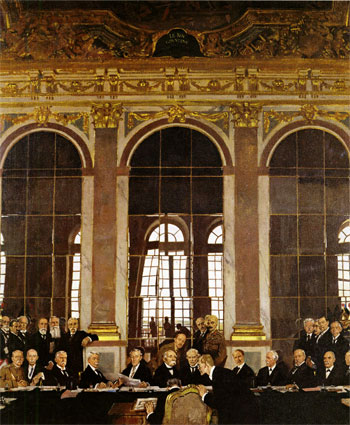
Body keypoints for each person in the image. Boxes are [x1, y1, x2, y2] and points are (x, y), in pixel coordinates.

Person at [197, 354, 258, 424]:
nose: (198, 368)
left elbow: (218, 402)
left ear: (206, 364)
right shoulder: (218, 372)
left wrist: (204, 395)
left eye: (199, 365)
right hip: (242, 410)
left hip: (244, 413)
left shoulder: (218, 375)